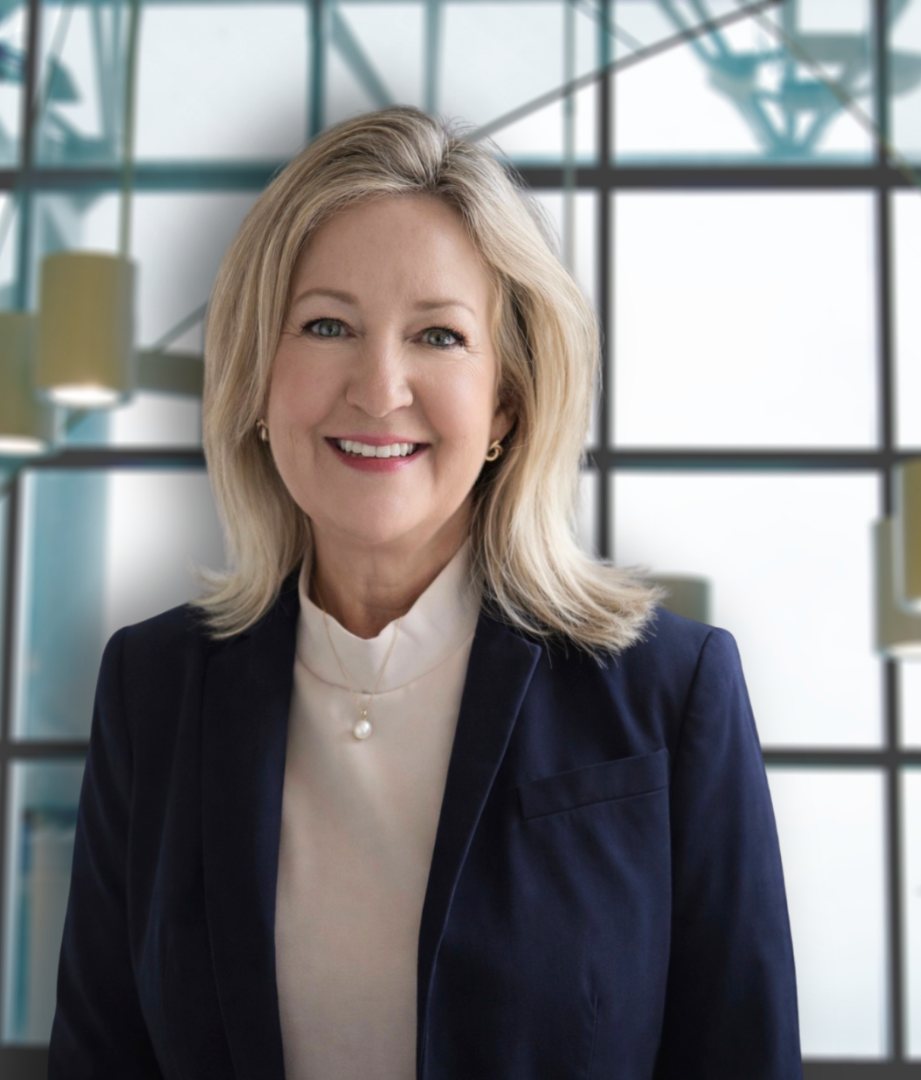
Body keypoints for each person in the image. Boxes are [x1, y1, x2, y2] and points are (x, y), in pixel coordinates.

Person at [48, 106, 803, 1079]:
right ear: (259, 381)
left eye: (439, 337)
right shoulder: (152, 687)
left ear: (506, 407)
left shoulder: (672, 690)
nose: (379, 385)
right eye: (327, 325)